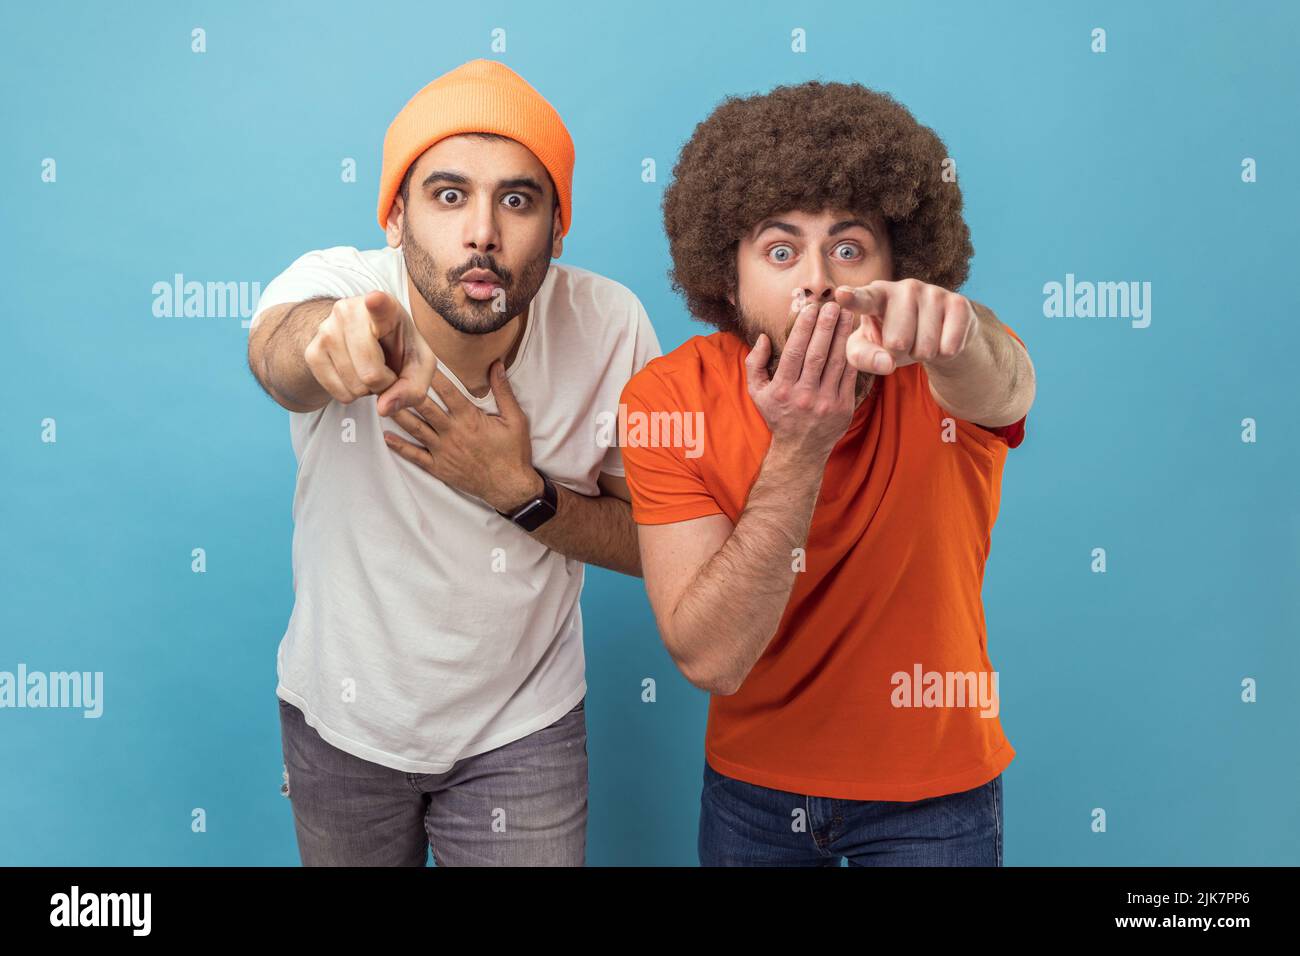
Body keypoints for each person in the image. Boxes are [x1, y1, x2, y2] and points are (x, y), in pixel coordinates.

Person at [246, 59, 659, 866]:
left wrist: (524, 494)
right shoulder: (341, 286)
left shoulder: (610, 326)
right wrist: (333, 345)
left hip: (522, 730)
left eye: (517, 199)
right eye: (447, 195)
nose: (481, 233)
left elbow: (661, 540)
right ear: (396, 218)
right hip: (342, 722)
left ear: (558, 226)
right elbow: (281, 355)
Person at [619, 79, 1036, 866]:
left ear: (901, 266)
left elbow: (1006, 381)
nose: (817, 279)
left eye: (848, 249)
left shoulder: (944, 365)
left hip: (935, 801)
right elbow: (710, 657)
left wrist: (960, 329)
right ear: (727, 279)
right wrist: (801, 445)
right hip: (751, 797)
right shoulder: (666, 399)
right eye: (781, 251)